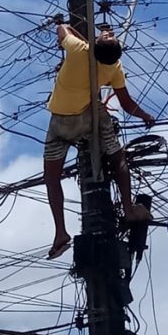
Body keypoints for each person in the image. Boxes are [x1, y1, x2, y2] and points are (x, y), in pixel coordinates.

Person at [44, 22, 155, 259]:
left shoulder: (78, 50)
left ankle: (60, 232)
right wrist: (144, 115)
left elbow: (62, 28)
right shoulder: (114, 67)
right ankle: (128, 209)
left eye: (107, 37)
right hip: (89, 116)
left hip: (61, 122)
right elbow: (126, 103)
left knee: (52, 178)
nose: (108, 33)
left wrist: (85, 37)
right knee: (118, 156)